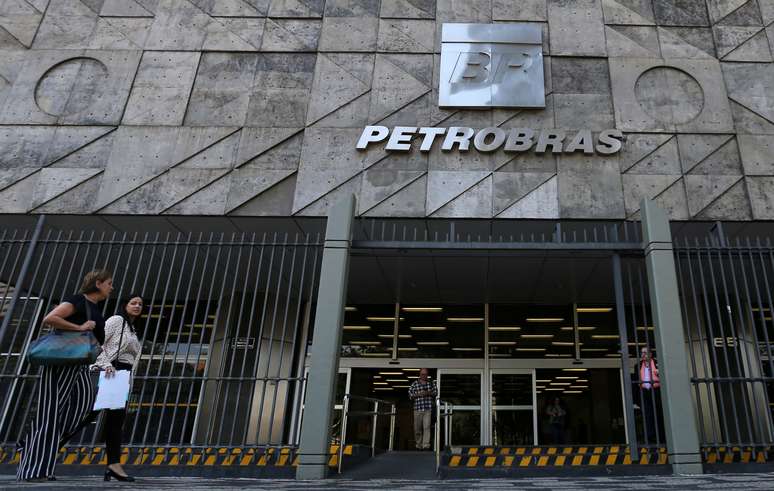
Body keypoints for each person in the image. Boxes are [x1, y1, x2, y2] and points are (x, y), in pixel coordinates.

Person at [17, 270, 113, 482]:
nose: (111, 287)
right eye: (109, 283)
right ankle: (34, 471)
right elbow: (50, 318)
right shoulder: (78, 300)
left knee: (86, 404)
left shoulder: (94, 307)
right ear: (97, 283)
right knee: (50, 413)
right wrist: (79, 327)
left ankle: (30, 442)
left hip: (79, 365)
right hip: (62, 362)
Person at [92, 293, 143, 482]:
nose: (137, 306)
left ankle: (113, 464)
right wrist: (106, 364)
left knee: (115, 421)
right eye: (133, 303)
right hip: (111, 373)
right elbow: (98, 342)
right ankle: (47, 448)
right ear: (125, 305)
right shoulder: (116, 320)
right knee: (90, 416)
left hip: (122, 377)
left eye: (140, 304)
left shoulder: (132, 328)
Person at [408, 368, 437, 450]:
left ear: (427, 375)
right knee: (417, 428)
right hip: (417, 409)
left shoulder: (431, 383)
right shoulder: (414, 384)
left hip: (428, 409)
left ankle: (426, 445)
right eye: (422, 374)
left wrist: (428, 393)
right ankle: (418, 445)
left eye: (425, 374)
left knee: (427, 427)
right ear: (420, 375)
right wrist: (419, 394)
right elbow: (410, 395)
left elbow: (436, 393)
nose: (424, 376)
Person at [639, 346, 662, 443]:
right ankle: (650, 436)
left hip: (656, 391)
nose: (643, 354)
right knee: (647, 415)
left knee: (658, 414)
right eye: (642, 352)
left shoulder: (657, 363)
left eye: (645, 352)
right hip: (645, 392)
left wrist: (659, 373)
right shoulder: (639, 365)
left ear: (651, 354)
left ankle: (661, 437)